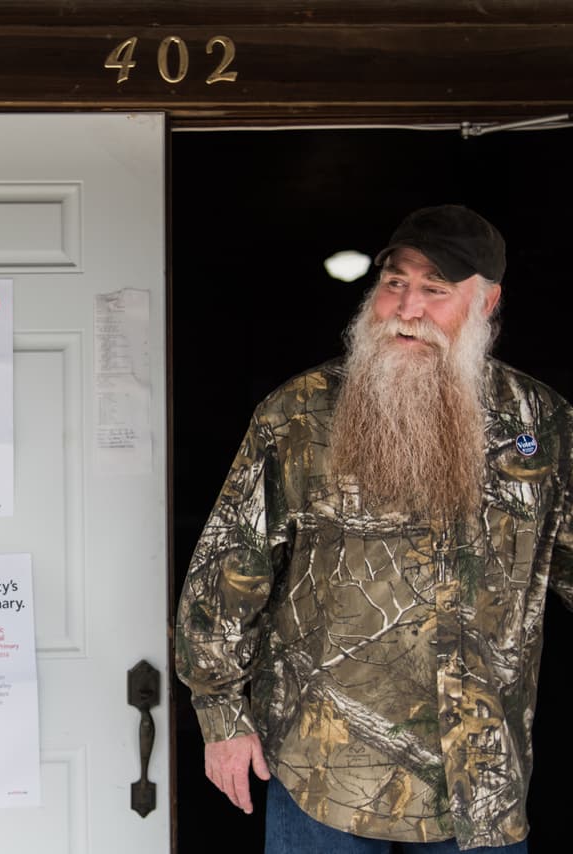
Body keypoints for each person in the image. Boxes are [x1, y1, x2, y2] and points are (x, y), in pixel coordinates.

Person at [175, 204, 573, 853]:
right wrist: (221, 715)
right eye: (396, 283)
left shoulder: (539, 425)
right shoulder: (301, 414)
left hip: (479, 777)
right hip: (327, 769)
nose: (408, 308)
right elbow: (228, 567)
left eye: (436, 291)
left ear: (487, 301)